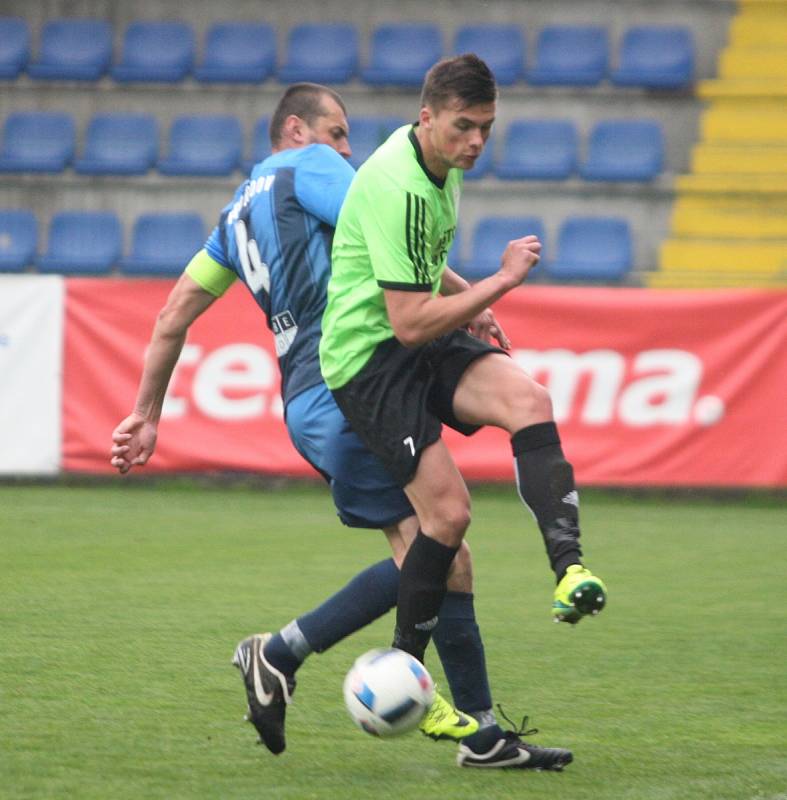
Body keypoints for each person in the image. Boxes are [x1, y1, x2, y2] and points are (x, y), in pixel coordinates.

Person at [110, 82, 570, 771]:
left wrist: (145, 415)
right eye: (337, 134)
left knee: (443, 552)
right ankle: (280, 652)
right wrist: (468, 296)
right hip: (353, 380)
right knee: (440, 543)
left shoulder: (233, 215)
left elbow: (174, 313)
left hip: (307, 399)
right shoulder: (309, 169)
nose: (347, 150)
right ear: (295, 130)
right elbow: (380, 226)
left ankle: (479, 735)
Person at [320, 54, 608, 765]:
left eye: (485, 127)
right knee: (447, 518)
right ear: (428, 118)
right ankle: (404, 675)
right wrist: (496, 285)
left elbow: (418, 264)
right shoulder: (399, 186)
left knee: (527, 397)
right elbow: (412, 322)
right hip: (368, 361)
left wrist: (465, 302)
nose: (475, 140)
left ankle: (568, 568)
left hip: (412, 336)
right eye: (463, 127)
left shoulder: (431, 164)